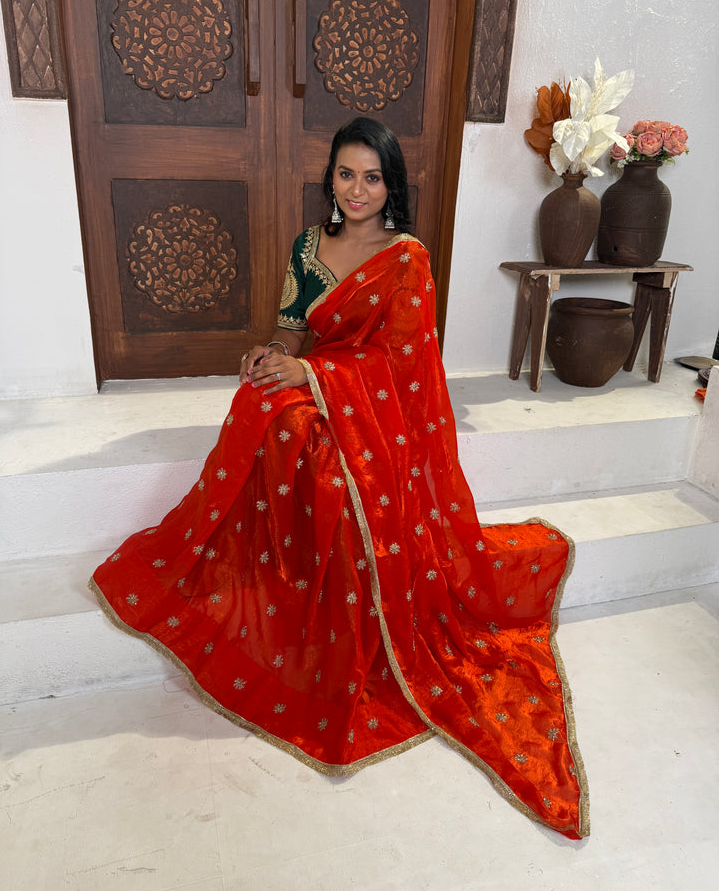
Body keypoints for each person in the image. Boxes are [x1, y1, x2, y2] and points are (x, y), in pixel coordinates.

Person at [90, 118, 588, 839]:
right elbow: (294, 325)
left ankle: (340, 586)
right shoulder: (308, 245)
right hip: (324, 385)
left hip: (378, 418)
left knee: (326, 468)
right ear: (331, 177)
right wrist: (273, 354)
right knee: (263, 407)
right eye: (346, 175)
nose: (357, 190)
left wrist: (314, 375)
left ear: (391, 185)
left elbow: (404, 365)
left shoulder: (406, 259)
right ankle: (276, 564)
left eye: (372, 177)